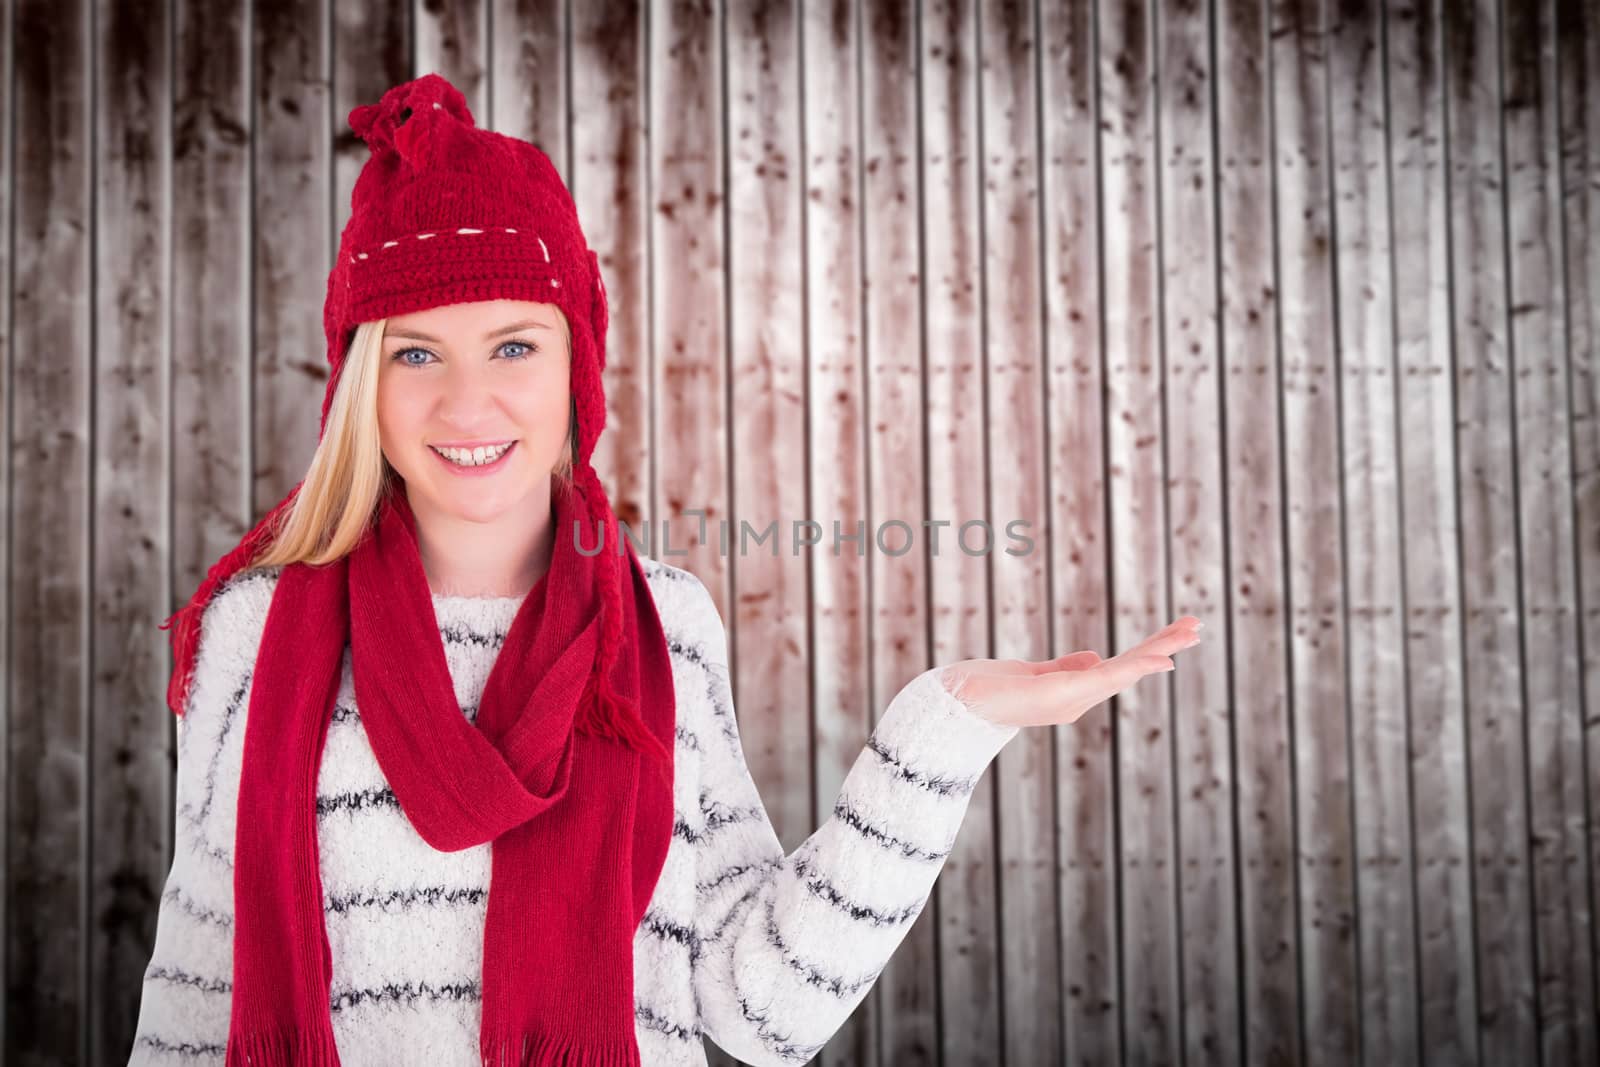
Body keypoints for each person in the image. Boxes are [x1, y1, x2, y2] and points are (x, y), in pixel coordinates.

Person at [127, 73, 1200, 1067]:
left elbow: (760, 1005)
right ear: (361, 379)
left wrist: (949, 720)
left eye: (513, 346)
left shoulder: (663, 623)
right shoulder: (255, 627)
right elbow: (195, 977)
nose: (465, 403)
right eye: (416, 352)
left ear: (574, 366)